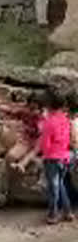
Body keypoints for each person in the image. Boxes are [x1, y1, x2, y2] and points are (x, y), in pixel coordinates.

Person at [40, 92, 73, 224]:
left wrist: (45, 155)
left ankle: (53, 214)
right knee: (60, 185)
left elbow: (45, 143)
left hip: (52, 158)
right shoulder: (65, 119)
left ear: (49, 105)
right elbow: (67, 138)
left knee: (53, 187)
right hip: (64, 157)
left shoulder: (49, 122)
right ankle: (67, 211)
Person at [0, 96, 43, 173]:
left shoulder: (44, 118)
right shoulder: (25, 112)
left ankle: (22, 164)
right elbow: (11, 110)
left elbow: (41, 130)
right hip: (25, 141)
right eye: (32, 109)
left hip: (38, 144)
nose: (34, 112)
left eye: (37, 109)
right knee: (10, 156)